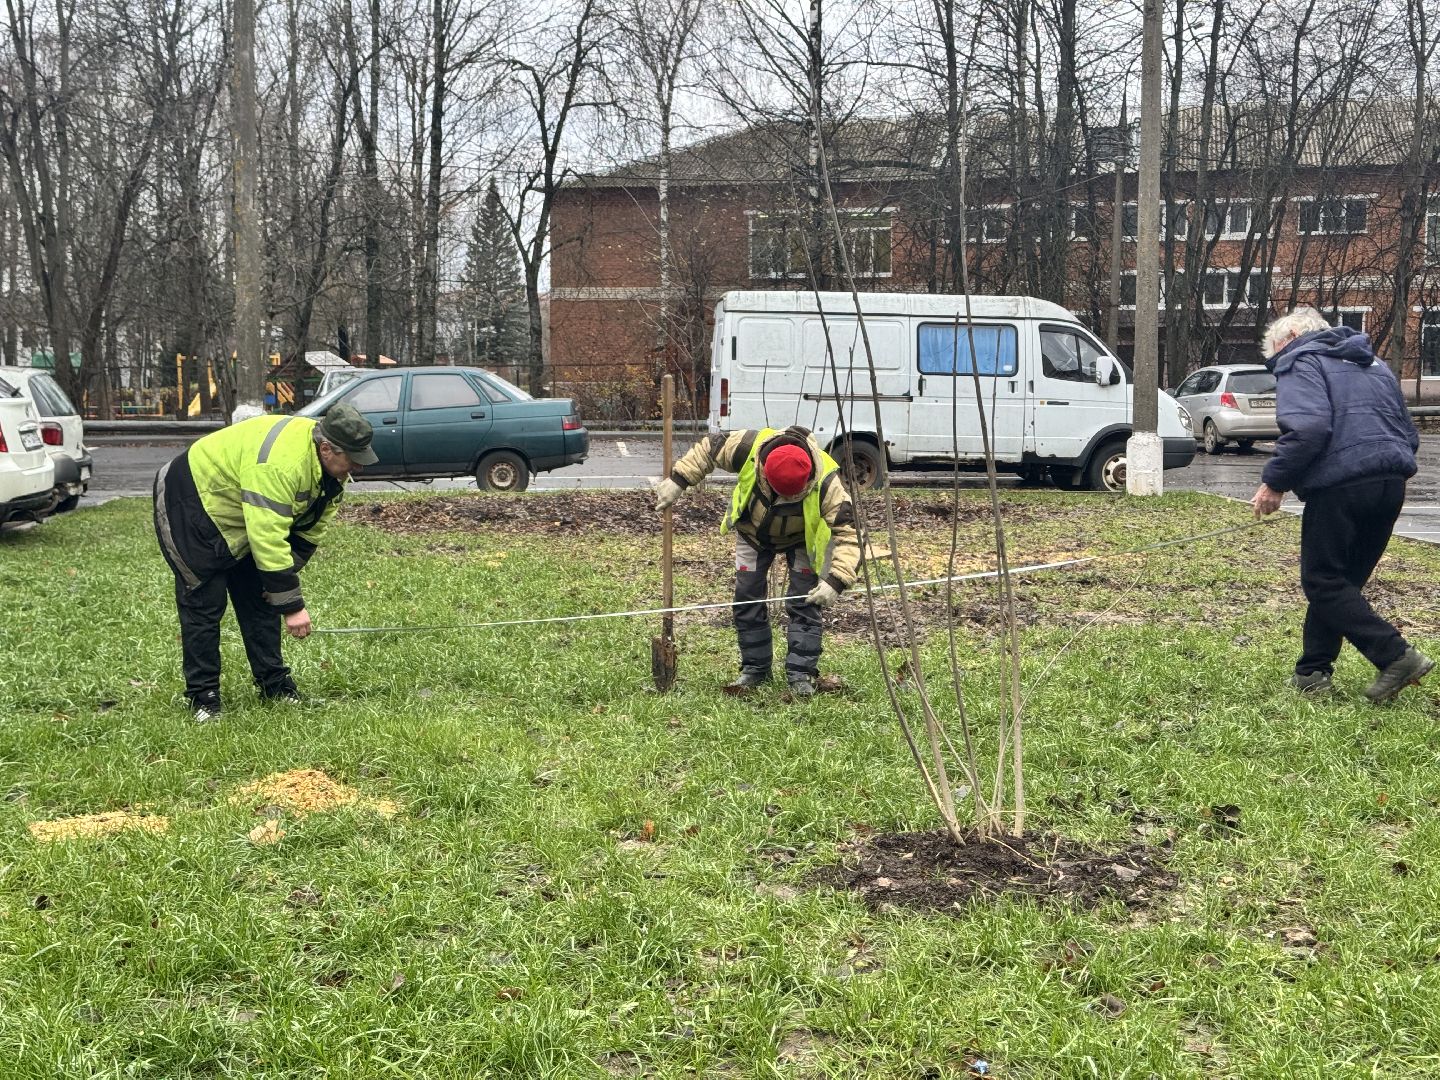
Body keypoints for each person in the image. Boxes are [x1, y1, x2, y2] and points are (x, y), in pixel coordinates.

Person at [1250, 307, 1431, 702]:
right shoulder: (1374, 365)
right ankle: (1312, 672)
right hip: (1390, 483)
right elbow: (1408, 433)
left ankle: (1396, 655)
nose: (1275, 359)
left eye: (1274, 350)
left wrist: (1274, 483)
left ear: (1292, 336)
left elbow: (1309, 428)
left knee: (1323, 581)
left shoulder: (1301, 360)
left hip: (1341, 486)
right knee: (1339, 583)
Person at [153, 404, 378, 721]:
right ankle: (203, 697)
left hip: (242, 512)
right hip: (189, 499)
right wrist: (292, 606)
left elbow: (307, 534)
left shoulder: (332, 476)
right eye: (353, 459)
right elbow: (268, 537)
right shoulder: (281, 467)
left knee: (259, 599)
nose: (357, 467)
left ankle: (274, 685)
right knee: (204, 602)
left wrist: (278, 587)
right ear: (326, 448)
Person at [654, 425, 862, 696]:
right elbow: (710, 448)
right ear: (763, 469)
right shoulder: (748, 446)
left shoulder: (828, 482)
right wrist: (678, 480)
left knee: (805, 602)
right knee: (747, 598)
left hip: (802, 540)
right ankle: (755, 669)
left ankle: (801, 675)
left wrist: (836, 581)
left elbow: (851, 534)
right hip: (751, 533)